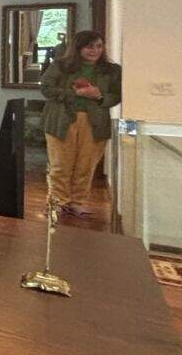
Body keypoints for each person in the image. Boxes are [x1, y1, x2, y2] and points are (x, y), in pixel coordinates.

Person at [39, 30, 121, 217]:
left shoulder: (112, 70)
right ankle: (58, 202)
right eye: (89, 46)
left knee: (86, 165)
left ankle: (77, 202)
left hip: (95, 122)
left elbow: (117, 95)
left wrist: (100, 95)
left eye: (99, 46)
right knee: (60, 164)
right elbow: (46, 88)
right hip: (61, 120)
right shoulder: (60, 65)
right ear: (78, 48)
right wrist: (75, 93)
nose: (95, 50)